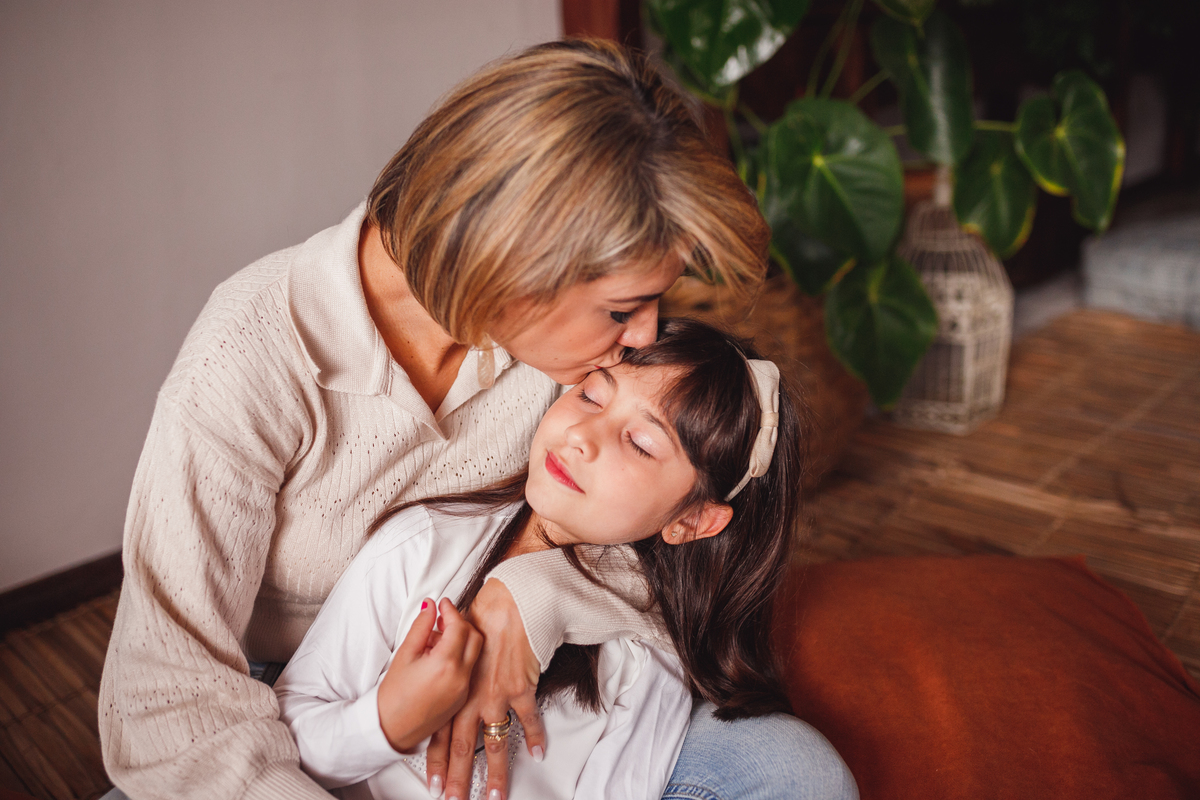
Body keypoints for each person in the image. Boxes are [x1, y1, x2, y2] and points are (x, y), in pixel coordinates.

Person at [98, 38, 854, 800]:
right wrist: (379, 727)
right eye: (624, 309)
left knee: (793, 772)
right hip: (288, 705)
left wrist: (534, 596)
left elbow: (666, 519)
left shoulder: (577, 359)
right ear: (516, 271)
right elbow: (166, 699)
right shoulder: (250, 353)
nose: (647, 338)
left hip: (570, 669)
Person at [273, 319, 804, 800]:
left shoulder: (644, 668)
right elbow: (284, 731)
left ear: (692, 521)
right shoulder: (425, 541)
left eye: (640, 443)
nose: (581, 436)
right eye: (592, 397)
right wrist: (384, 723)